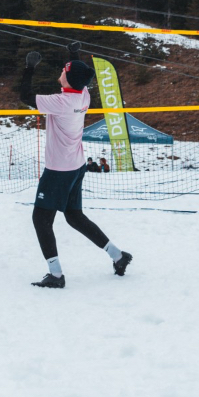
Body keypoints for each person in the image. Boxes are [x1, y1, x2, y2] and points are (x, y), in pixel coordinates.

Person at [20, 48, 131, 288]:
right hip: (76, 165)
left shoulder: (61, 102)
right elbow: (80, 77)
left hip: (59, 170)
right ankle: (118, 256)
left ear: (69, 79)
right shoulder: (83, 95)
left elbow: (25, 96)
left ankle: (56, 275)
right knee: (74, 216)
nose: (62, 70)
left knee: (41, 219)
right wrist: (74, 54)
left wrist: (29, 67)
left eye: (65, 69)